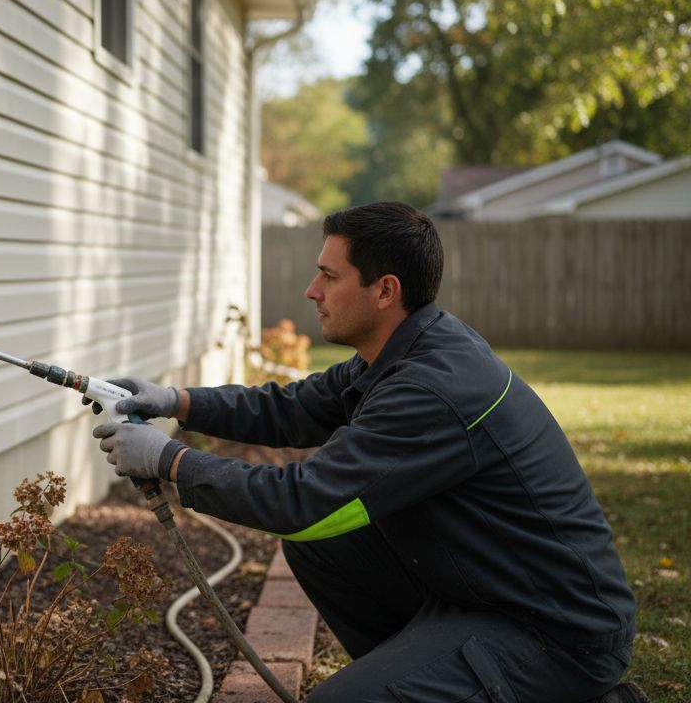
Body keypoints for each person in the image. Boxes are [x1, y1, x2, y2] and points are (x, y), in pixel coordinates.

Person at [91, 202, 642, 702]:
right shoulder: (407, 350)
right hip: (479, 588)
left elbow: (305, 500)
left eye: (330, 276)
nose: (312, 290)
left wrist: (169, 461)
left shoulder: (432, 389)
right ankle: (425, 674)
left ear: (385, 290)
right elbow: (297, 407)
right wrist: (175, 401)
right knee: (321, 546)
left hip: (555, 630)